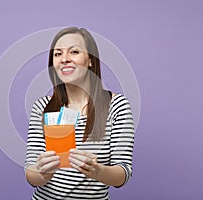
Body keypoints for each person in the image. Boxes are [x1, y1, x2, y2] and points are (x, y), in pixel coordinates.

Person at [25, 27, 135, 200]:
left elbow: (123, 172)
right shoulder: (42, 107)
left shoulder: (117, 106)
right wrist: (42, 173)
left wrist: (98, 171)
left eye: (74, 52)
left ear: (90, 60)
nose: (64, 59)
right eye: (57, 54)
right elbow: (30, 173)